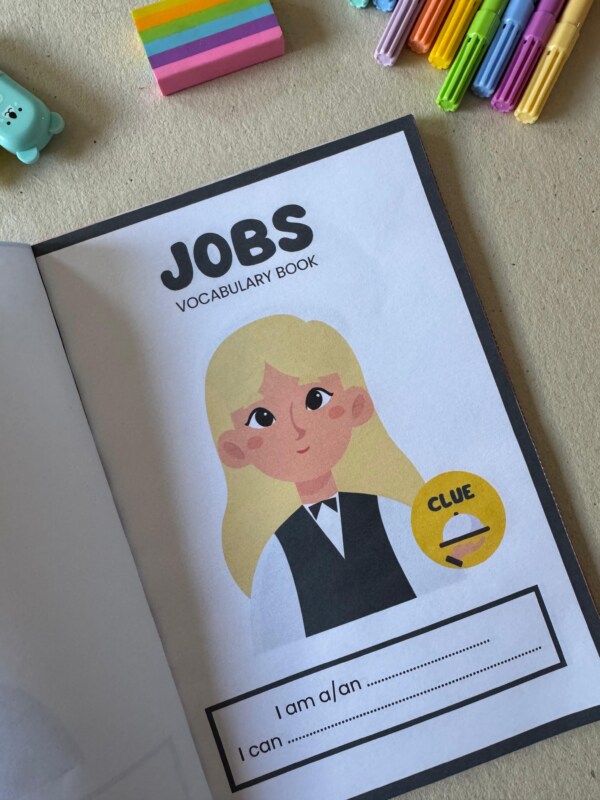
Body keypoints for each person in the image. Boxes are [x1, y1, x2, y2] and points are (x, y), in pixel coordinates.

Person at [205, 315, 450, 650]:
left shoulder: (395, 516)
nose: (296, 429)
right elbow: (279, 647)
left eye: (315, 400)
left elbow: (445, 589)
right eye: (263, 418)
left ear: (356, 405)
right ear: (236, 449)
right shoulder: (275, 558)